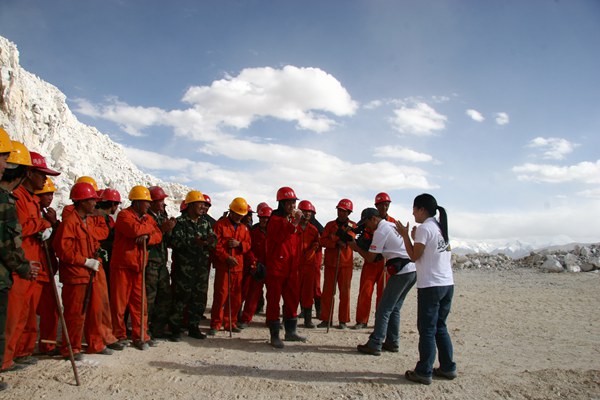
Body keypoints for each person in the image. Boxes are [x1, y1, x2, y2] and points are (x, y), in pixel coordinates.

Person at [396, 193, 457, 385]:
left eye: (414, 209)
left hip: (431, 285)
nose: (413, 213)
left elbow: (414, 256)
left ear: (422, 209)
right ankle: (448, 367)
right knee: (440, 326)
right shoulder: (439, 227)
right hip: (447, 284)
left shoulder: (424, 228)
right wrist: (414, 238)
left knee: (427, 329)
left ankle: (424, 371)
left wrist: (405, 235)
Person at [9, 151, 60, 367]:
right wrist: (44, 224)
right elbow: (20, 227)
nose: (44, 179)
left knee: (27, 314)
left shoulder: (30, 200)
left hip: (33, 264)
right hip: (19, 264)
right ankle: (6, 359)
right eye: (41, 174)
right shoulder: (18, 196)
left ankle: (21, 352)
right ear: (29, 173)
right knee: (15, 314)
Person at [53, 182, 113, 360]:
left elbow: (92, 242)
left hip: (89, 275)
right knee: (75, 314)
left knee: (95, 311)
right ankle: (71, 348)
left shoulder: (86, 222)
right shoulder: (70, 222)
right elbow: (63, 250)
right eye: (92, 200)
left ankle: (96, 344)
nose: (95, 203)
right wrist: (85, 261)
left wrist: (96, 254)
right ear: (82, 201)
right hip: (76, 276)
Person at [349, 208, 416, 356]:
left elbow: (371, 258)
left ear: (373, 219)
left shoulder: (380, 231)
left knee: (383, 308)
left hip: (402, 271)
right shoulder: (391, 225)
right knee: (395, 307)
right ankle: (392, 342)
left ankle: (375, 343)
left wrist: (356, 247)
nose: (366, 227)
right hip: (412, 270)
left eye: (366, 223)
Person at [0, 134, 38, 390]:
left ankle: (11, 356)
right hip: (11, 271)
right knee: (7, 321)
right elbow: (8, 241)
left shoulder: (13, 198)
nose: (4, 165)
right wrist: (23, 266)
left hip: (13, 270)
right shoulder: (8, 199)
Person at [110, 186, 162, 350]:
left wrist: (147, 237)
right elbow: (134, 230)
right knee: (119, 305)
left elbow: (158, 235)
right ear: (137, 202)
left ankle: (141, 336)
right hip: (122, 267)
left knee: (140, 304)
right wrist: (148, 230)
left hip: (139, 267)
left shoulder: (147, 218)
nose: (149, 205)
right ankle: (118, 335)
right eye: (146, 202)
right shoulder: (124, 215)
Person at [168, 190, 215, 341]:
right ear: (191, 205)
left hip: (201, 268)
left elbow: (214, 240)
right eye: (200, 204)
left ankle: (193, 327)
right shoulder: (180, 223)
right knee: (180, 299)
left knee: (198, 299)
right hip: (184, 269)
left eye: (203, 204)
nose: (202, 207)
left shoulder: (205, 223)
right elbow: (174, 242)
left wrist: (209, 242)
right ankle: (175, 329)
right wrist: (194, 242)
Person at [264, 187, 306, 348]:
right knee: (274, 301)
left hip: (291, 267)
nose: (292, 205)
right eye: (288, 202)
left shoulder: (290, 220)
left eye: (293, 202)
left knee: (292, 299)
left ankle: (291, 332)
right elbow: (280, 237)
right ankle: (274, 335)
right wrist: (294, 223)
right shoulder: (274, 220)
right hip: (277, 267)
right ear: (281, 203)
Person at [352, 192, 396, 329]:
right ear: (376, 206)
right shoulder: (367, 221)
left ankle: (380, 321)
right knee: (365, 291)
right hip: (370, 261)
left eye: (386, 204)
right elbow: (356, 234)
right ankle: (361, 321)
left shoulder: (392, 222)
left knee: (383, 293)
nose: (384, 207)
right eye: (381, 205)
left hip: (385, 262)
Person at [208, 197, 251, 335]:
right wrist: (226, 257)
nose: (239, 217)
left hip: (238, 267)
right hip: (224, 267)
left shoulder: (244, 228)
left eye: (241, 215)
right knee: (220, 296)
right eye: (237, 214)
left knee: (235, 297)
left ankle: (230, 323)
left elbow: (248, 245)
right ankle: (215, 324)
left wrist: (239, 245)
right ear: (231, 211)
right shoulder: (220, 225)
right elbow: (215, 245)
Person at [318, 199, 356, 329]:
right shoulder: (329, 225)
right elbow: (323, 241)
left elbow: (349, 238)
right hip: (331, 263)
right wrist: (335, 242)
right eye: (339, 210)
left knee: (344, 293)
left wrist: (334, 237)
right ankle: (326, 319)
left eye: (344, 211)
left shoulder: (353, 225)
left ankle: (343, 321)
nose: (341, 213)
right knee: (328, 292)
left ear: (349, 212)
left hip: (345, 264)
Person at [34, 178, 61, 356]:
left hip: (47, 268)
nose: (50, 198)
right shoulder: (32, 212)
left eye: (51, 194)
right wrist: (46, 224)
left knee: (51, 309)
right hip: (35, 269)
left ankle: (48, 345)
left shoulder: (47, 214)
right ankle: (20, 350)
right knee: (27, 312)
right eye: (47, 194)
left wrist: (54, 223)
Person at [146, 186, 176, 339]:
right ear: (151, 202)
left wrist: (170, 229)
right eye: (160, 201)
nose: (162, 204)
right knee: (149, 297)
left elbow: (168, 242)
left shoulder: (161, 216)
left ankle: (158, 328)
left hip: (161, 262)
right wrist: (162, 229)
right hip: (150, 263)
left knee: (164, 296)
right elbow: (147, 237)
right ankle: (144, 330)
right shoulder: (146, 217)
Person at [238, 204, 271, 327]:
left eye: (266, 218)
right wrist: (254, 263)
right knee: (252, 294)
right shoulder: (253, 233)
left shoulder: (275, 233)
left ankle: (271, 320)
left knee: (272, 296)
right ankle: (246, 319)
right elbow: (248, 249)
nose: (264, 220)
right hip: (258, 268)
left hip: (271, 268)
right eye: (262, 218)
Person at [297, 200, 321, 328]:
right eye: (305, 211)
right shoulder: (293, 227)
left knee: (308, 293)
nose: (307, 214)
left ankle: (308, 320)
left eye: (309, 212)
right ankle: (289, 320)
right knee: (293, 292)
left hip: (309, 266)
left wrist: (314, 247)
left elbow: (318, 243)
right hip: (295, 265)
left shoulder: (313, 229)